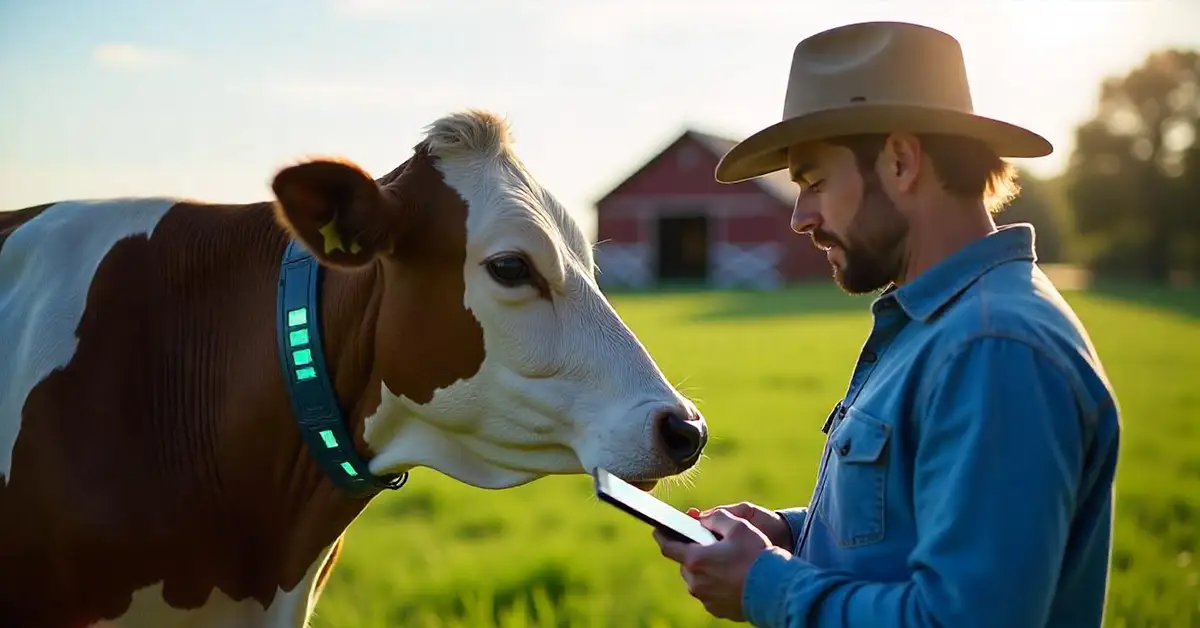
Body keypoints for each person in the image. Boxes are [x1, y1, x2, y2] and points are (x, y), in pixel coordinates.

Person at [651, 21, 1122, 628]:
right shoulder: (944, 326)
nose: (799, 217)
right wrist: (790, 535)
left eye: (814, 182)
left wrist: (766, 584)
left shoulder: (993, 347)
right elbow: (910, 530)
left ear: (900, 160)